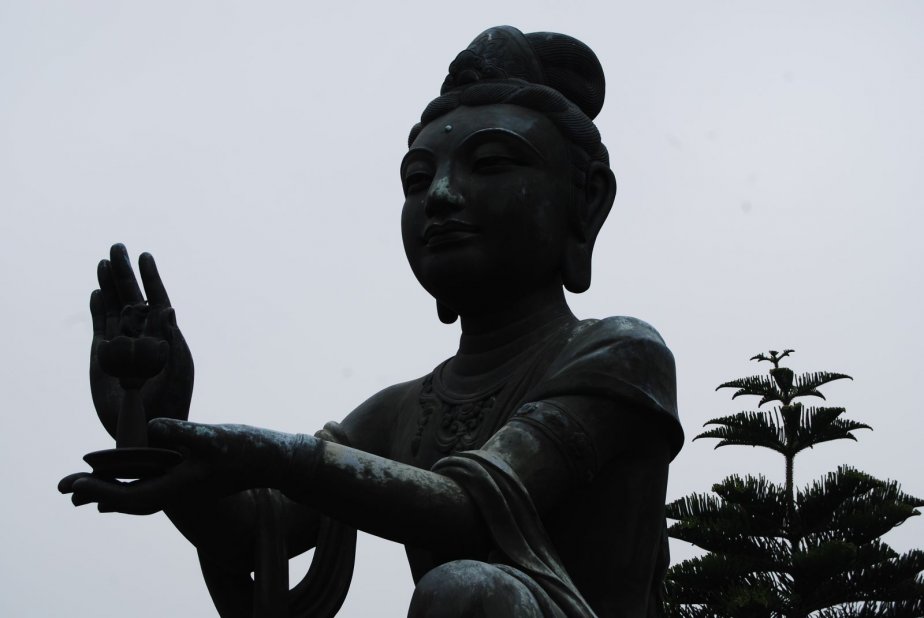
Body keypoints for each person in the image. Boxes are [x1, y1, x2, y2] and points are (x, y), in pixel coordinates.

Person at [60, 26, 683, 618]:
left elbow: (471, 511)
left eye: (490, 163)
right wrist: (154, 425)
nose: (440, 195)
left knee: (466, 591)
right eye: (418, 178)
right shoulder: (402, 411)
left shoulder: (622, 353)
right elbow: (257, 528)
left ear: (587, 200)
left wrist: (272, 457)